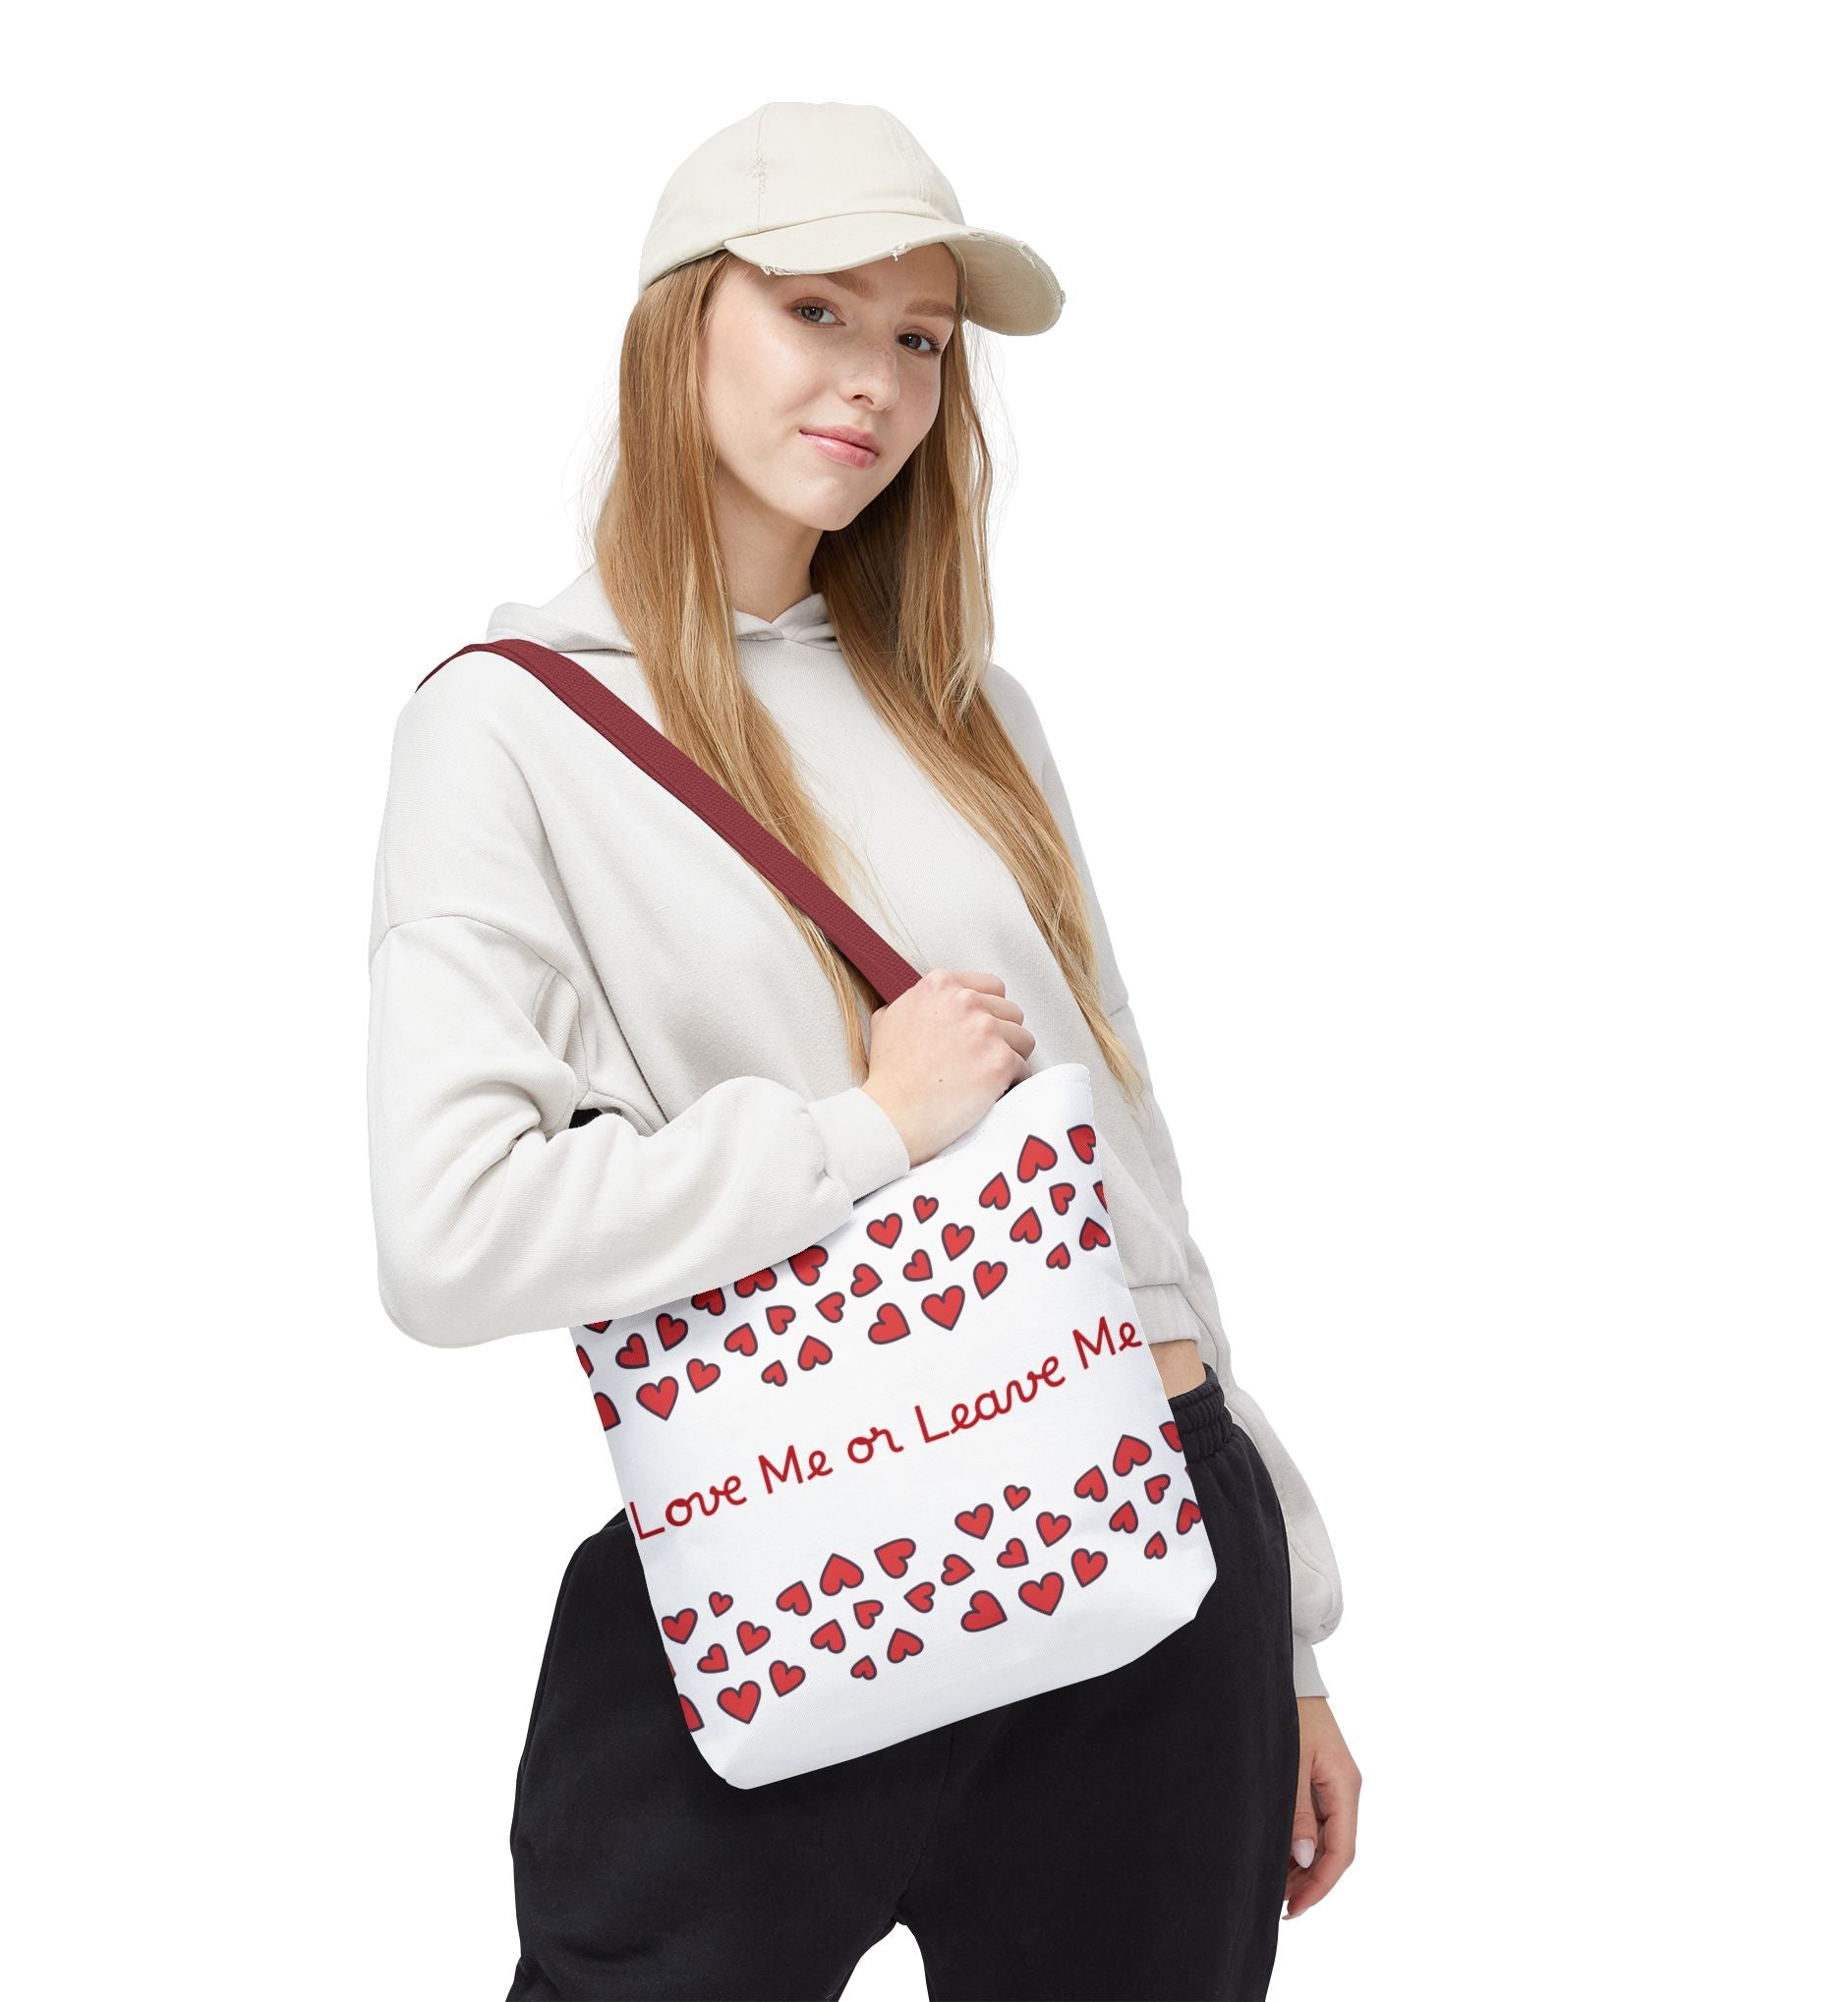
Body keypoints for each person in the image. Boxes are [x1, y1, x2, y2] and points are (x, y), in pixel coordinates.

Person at [367, 100, 1359, 2001]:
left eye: (919, 339)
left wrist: (1292, 1634)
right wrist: (869, 1130)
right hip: (794, 1556)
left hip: (1151, 1549)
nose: (878, 383)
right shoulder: (512, 730)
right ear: (681, 326)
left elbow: (1126, 1181)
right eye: (816, 309)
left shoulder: (971, 711)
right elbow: (452, 1234)